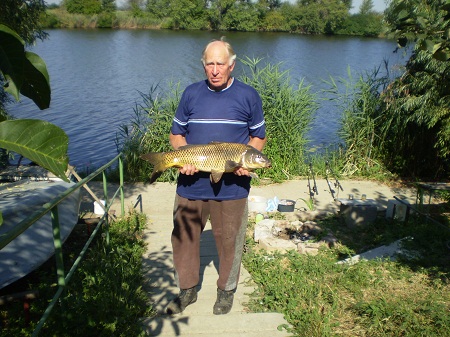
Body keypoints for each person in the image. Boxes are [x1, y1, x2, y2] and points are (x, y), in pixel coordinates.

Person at [166, 37, 267, 315]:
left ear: (231, 65)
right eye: (209, 63)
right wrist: (182, 157)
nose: (214, 70)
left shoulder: (248, 95)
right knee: (183, 237)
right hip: (191, 183)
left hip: (233, 186)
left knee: (230, 239)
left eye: (220, 63)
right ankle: (187, 290)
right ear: (203, 65)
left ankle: (226, 291)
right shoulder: (191, 93)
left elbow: (258, 136)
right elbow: (176, 135)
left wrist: (248, 160)